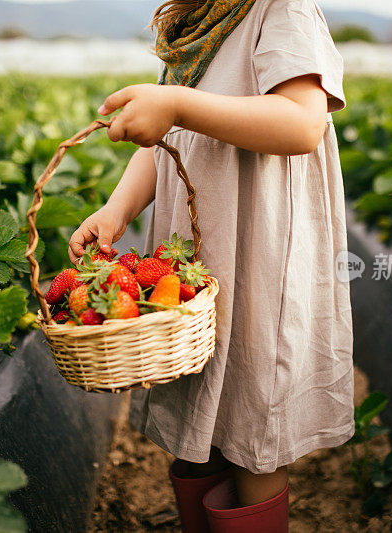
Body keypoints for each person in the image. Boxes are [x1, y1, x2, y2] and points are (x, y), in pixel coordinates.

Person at [68, 0, 354, 530]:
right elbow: (165, 145)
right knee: (200, 415)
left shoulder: (281, 9)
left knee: (252, 420)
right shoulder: (196, 27)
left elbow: (300, 123)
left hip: (262, 255)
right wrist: (116, 210)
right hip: (198, 260)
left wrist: (177, 104)